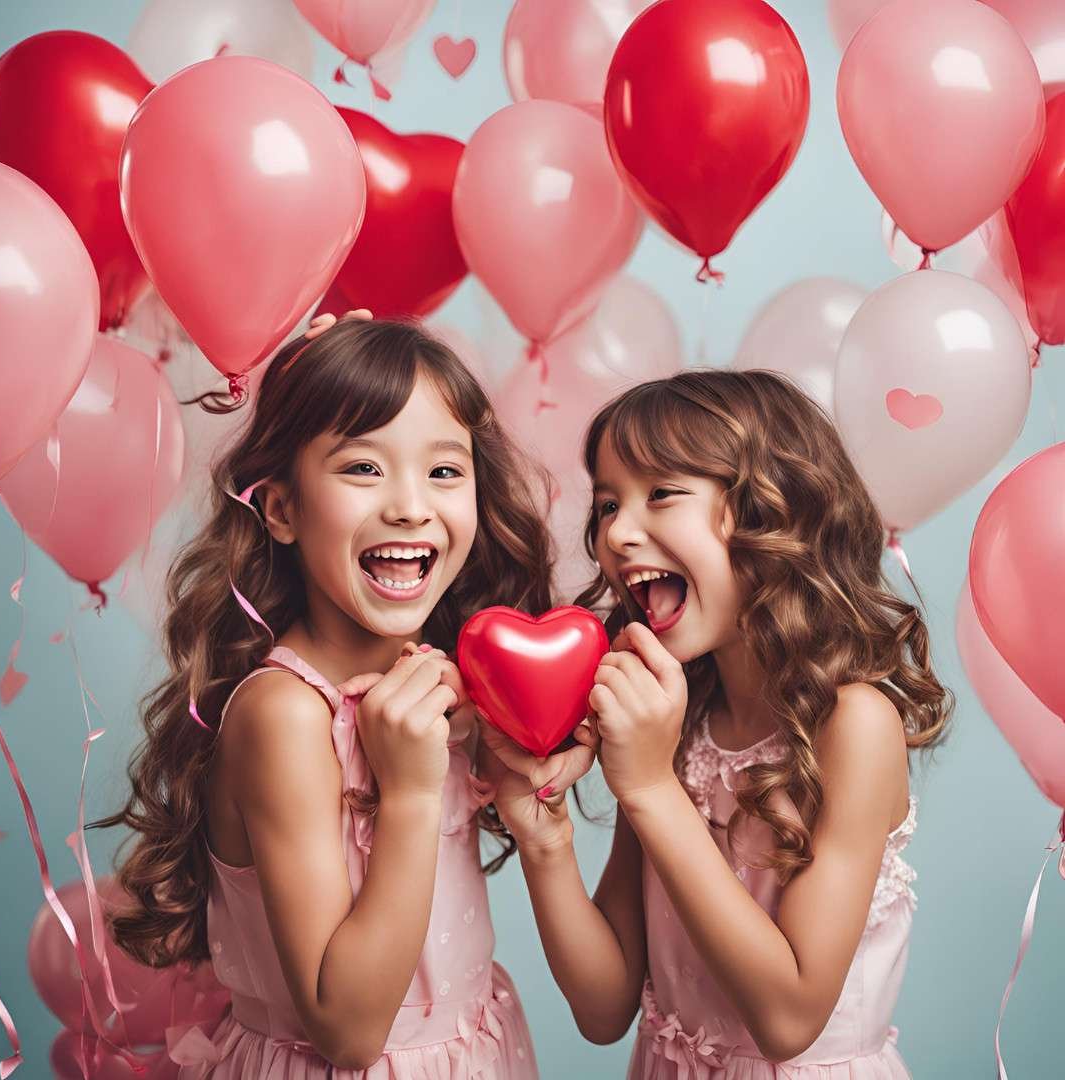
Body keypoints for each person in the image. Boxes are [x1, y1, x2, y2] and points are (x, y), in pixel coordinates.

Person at [99, 312, 554, 1077]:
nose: (411, 505)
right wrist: (408, 794)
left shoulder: (441, 680)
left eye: (444, 471)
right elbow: (348, 1032)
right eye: (363, 469)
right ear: (280, 509)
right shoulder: (284, 716)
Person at [483, 369, 952, 1078]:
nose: (617, 532)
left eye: (661, 493)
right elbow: (605, 1009)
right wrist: (545, 841)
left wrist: (649, 788)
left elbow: (789, 1017)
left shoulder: (853, 725)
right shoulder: (682, 716)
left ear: (772, 512)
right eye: (607, 504)